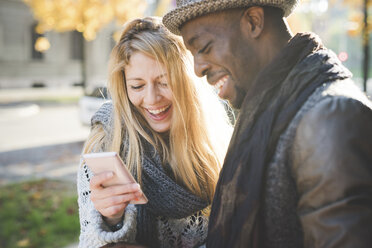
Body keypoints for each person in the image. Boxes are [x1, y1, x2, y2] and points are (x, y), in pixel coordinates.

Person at [163, 0, 372, 247]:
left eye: (205, 47)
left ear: (254, 22)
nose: (198, 69)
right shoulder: (271, 108)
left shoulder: (330, 119)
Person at [77, 16, 232, 248]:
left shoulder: (218, 141)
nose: (151, 99)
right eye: (137, 86)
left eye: (164, 82)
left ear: (187, 81)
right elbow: (89, 242)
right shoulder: (106, 142)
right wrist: (110, 219)